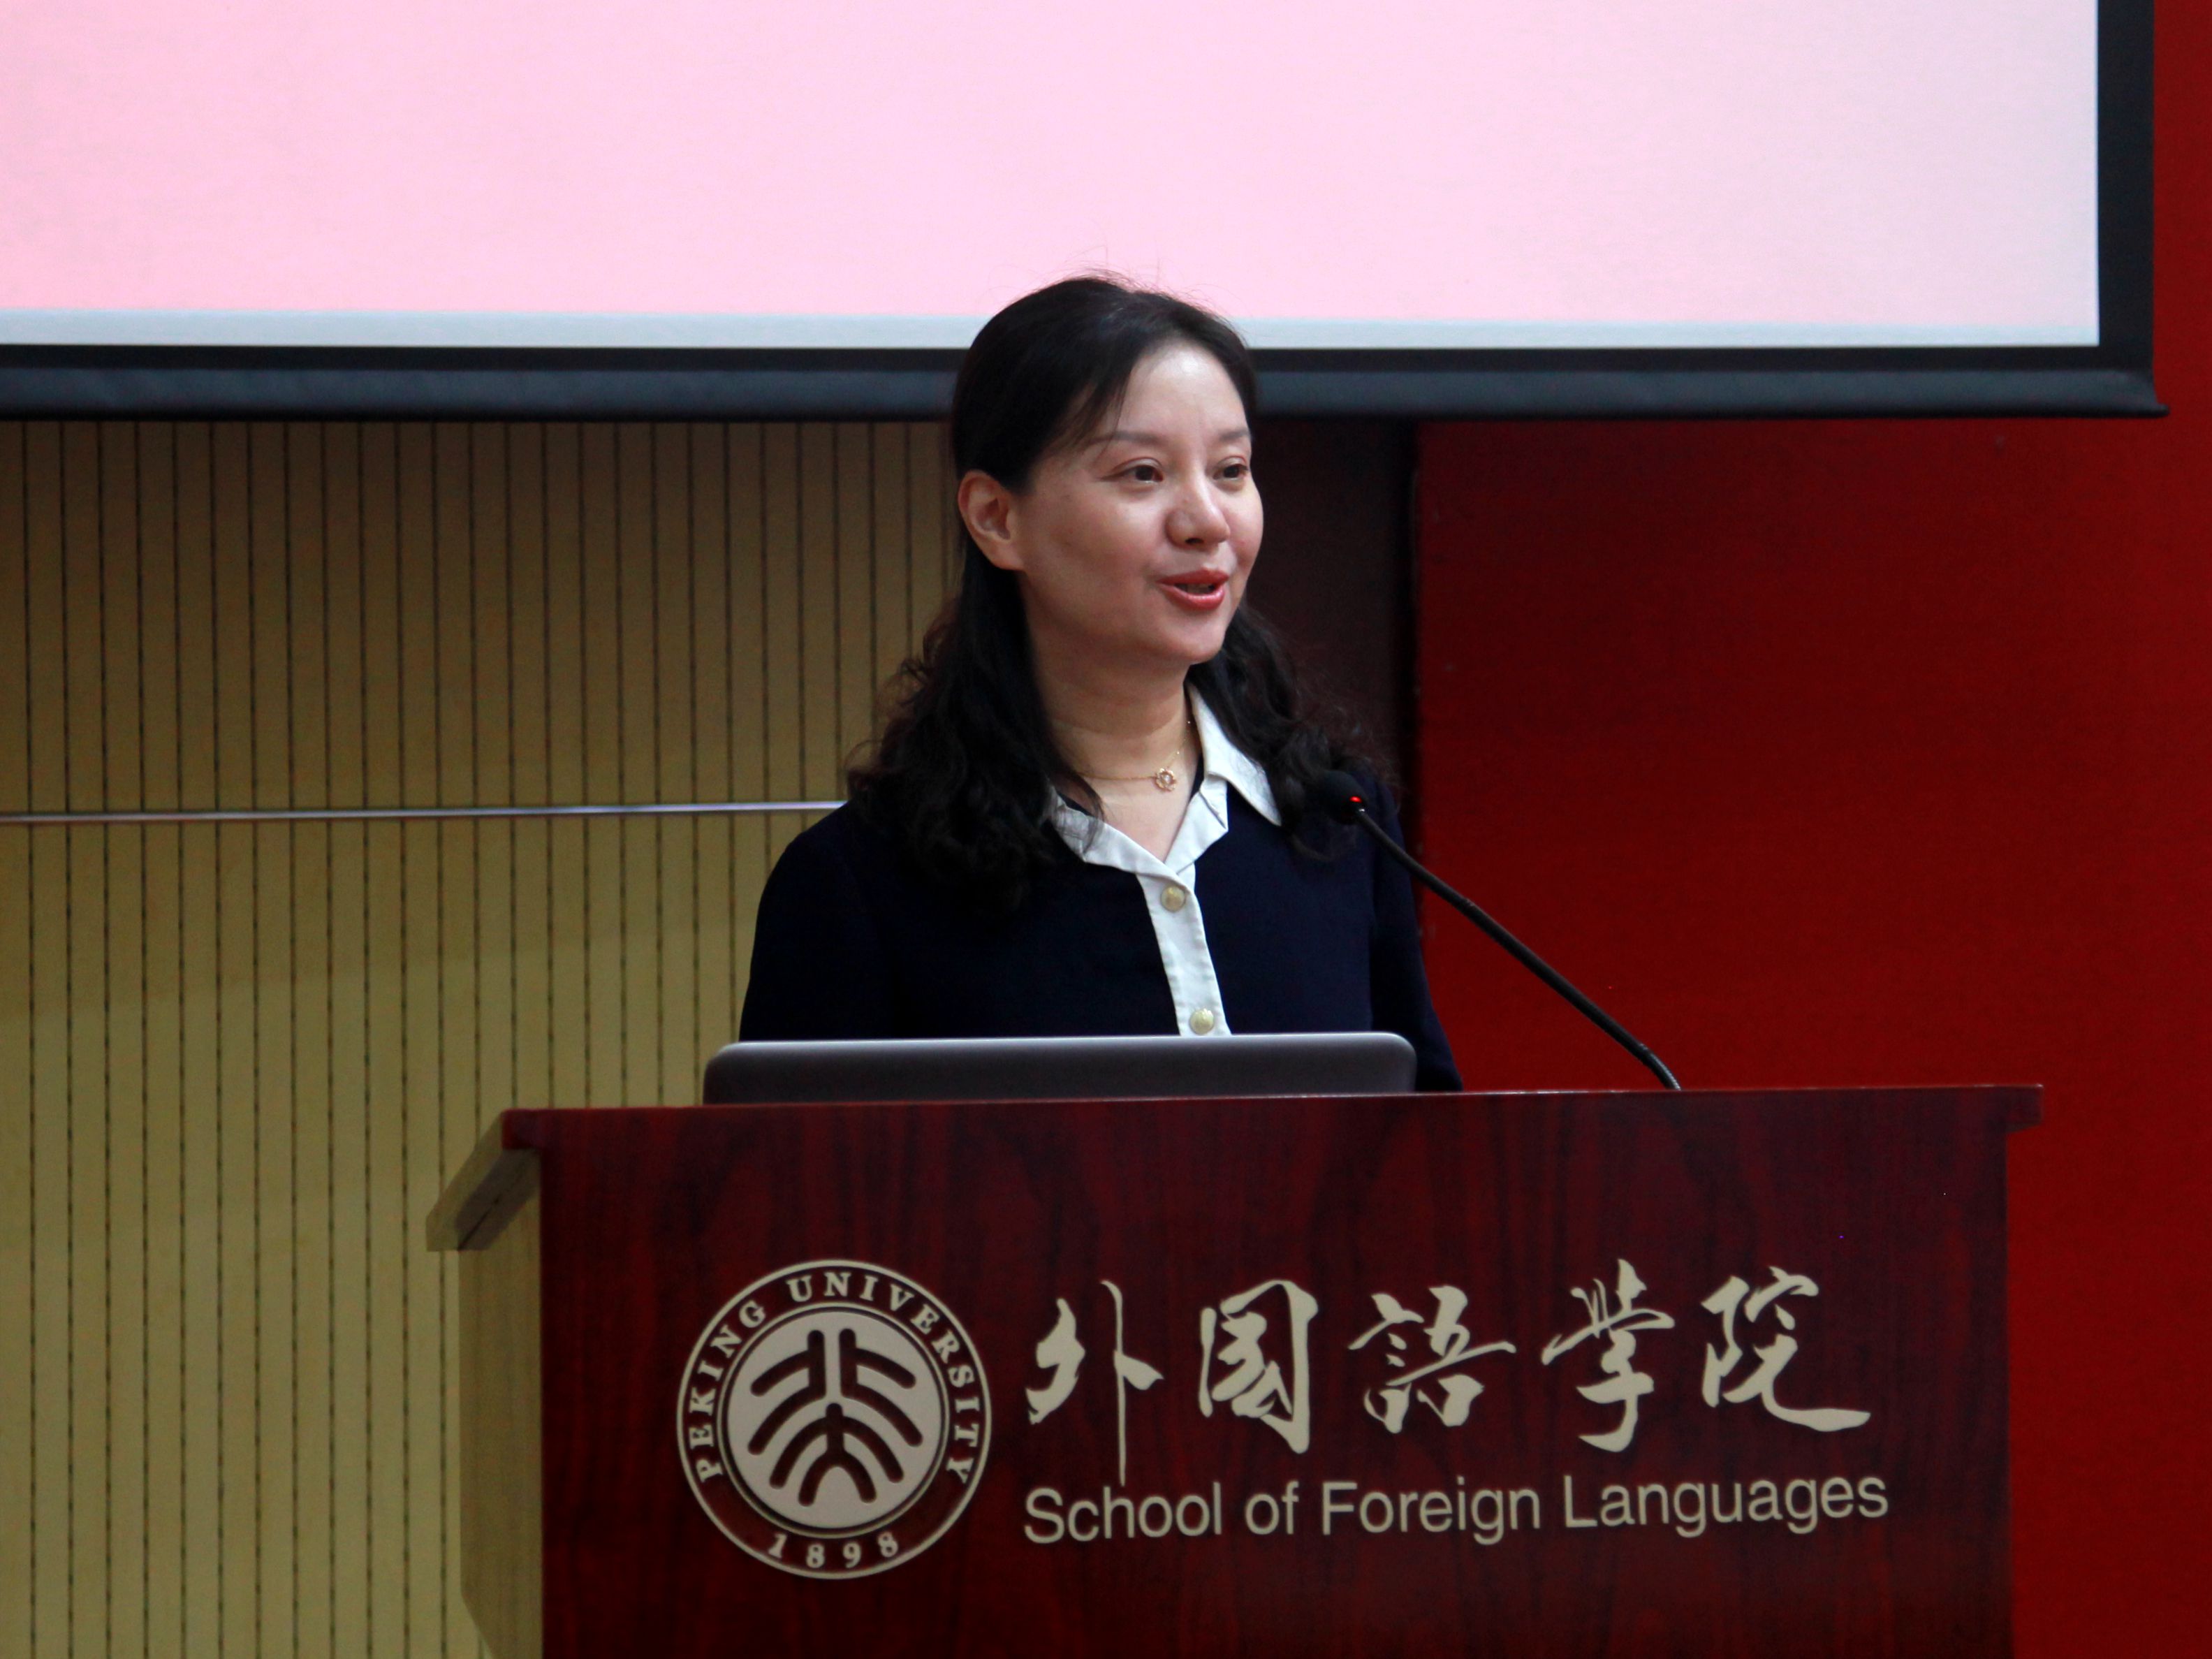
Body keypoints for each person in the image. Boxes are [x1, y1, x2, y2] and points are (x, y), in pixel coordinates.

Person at [738, 276, 1460, 1090]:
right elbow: (799, 1170)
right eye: (1142, 473)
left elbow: (1427, 1134)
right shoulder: (860, 884)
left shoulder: (1336, 822)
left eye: (1230, 470)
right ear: (996, 518)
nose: (1206, 520)